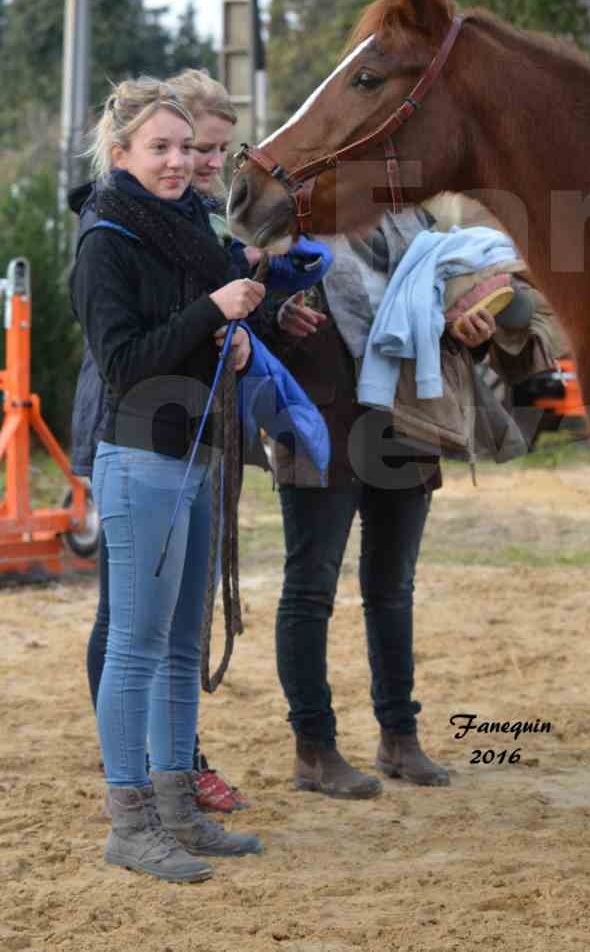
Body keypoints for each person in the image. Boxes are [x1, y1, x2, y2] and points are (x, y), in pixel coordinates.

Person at [71, 77, 265, 881]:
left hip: (199, 450)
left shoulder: (193, 228)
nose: (181, 161)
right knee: (137, 646)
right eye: (161, 147)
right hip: (139, 456)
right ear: (122, 155)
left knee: (183, 647)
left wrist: (238, 334)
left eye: (187, 147)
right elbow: (122, 362)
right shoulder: (107, 238)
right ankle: (130, 821)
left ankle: (180, 806)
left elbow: (198, 327)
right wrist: (213, 314)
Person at [264, 209, 505, 798]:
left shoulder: (414, 218)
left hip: (406, 409)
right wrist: (276, 315)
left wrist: (470, 330)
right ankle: (315, 749)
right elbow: (246, 310)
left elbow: (445, 307)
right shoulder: (286, 218)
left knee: (393, 587)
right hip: (318, 412)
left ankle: (399, 736)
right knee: (311, 587)